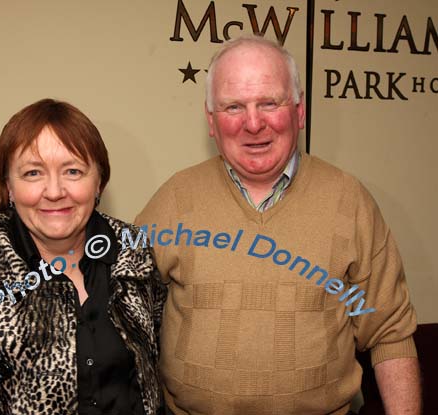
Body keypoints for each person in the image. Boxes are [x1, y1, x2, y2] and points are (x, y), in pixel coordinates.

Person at [136, 36, 421, 415]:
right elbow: (125, 322)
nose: (253, 123)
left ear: (299, 112)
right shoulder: (173, 200)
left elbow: (390, 333)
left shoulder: (349, 201)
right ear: (211, 121)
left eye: (269, 103)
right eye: (233, 106)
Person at [0, 98, 167, 415]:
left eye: (73, 170)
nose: (54, 191)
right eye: (32, 173)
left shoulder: (135, 255)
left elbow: (156, 377)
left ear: (99, 181)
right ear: (9, 187)